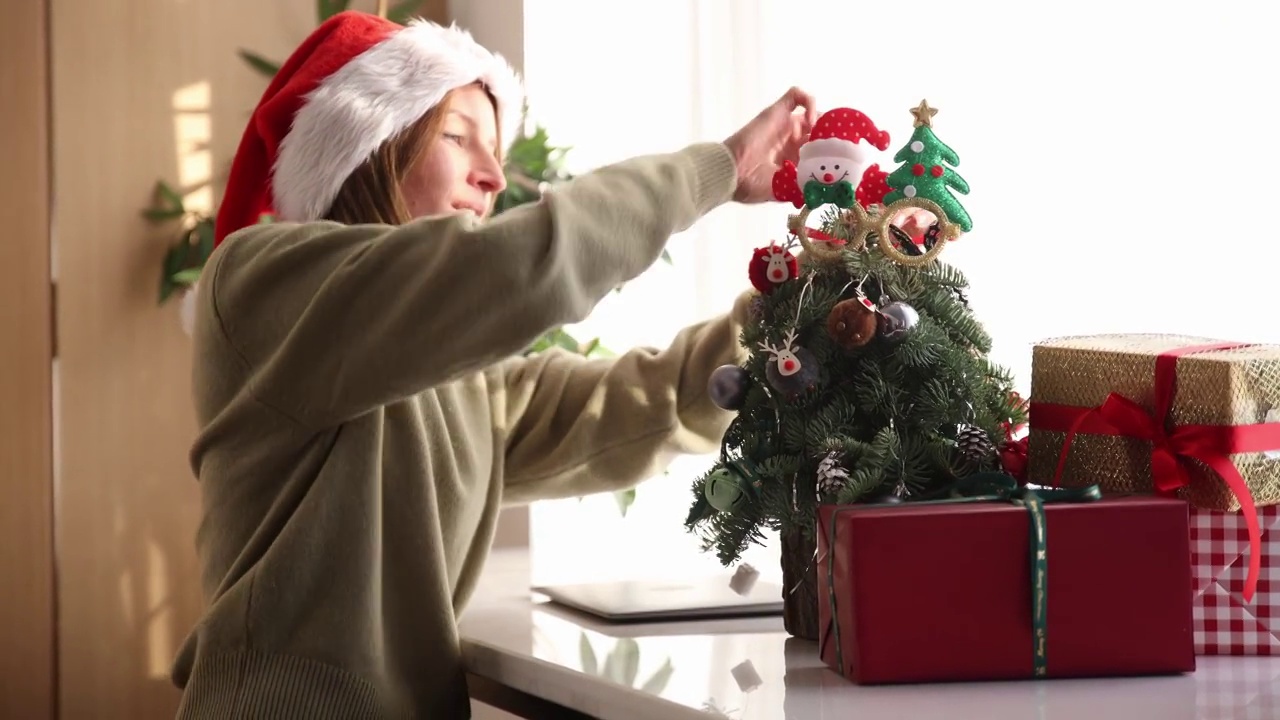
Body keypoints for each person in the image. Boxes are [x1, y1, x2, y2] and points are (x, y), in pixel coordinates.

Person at [170, 9, 819, 719]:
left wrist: (794, 305)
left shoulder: (454, 377)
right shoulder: (262, 281)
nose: (492, 175)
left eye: (495, 149)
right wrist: (718, 168)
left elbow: (640, 403)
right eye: (457, 136)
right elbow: (518, 268)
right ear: (370, 146)